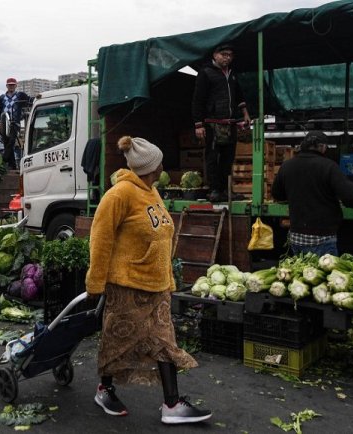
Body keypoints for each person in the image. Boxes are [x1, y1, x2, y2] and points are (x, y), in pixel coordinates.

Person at [85, 136, 212, 425]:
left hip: (156, 285)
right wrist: (95, 283)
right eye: (159, 164)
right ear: (149, 167)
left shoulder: (151, 191)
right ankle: (104, 389)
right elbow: (100, 240)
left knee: (164, 341)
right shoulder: (119, 195)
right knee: (116, 340)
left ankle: (172, 404)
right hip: (127, 284)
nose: (163, 167)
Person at [271, 131, 353, 256]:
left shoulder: (287, 166)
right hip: (323, 238)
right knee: (323, 274)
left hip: (296, 237)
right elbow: (349, 196)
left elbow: (277, 194)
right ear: (322, 147)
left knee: (300, 273)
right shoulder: (329, 166)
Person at [192, 43, 251, 202]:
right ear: (215, 55)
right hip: (212, 122)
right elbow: (198, 99)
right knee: (213, 157)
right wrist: (198, 124)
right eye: (224, 54)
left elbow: (239, 96)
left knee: (228, 158)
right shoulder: (206, 73)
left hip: (230, 123)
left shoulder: (231, 74)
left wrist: (245, 113)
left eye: (230, 55)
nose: (227, 58)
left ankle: (225, 190)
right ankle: (214, 190)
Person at [0, 77, 31, 170]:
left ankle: (3, 160)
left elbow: (29, 100)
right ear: (7, 86)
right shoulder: (2, 97)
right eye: (9, 85)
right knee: (6, 142)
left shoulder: (20, 95)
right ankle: (12, 165)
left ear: (16, 85)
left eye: (13, 85)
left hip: (15, 123)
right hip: (4, 122)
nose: (11, 86)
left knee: (11, 141)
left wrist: (38, 97)